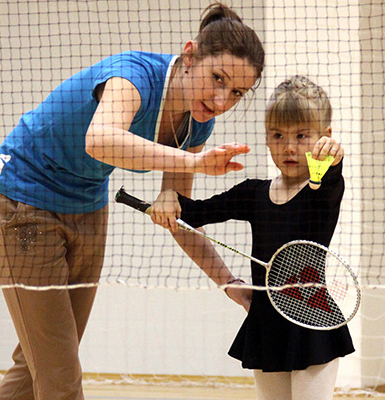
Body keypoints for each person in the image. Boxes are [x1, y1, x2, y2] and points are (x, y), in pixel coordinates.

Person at [0, 3, 264, 399]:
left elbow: (181, 220)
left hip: (86, 203)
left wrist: (229, 283)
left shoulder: (197, 122)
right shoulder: (133, 76)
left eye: (236, 92)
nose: (221, 100)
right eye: (217, 78)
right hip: (23, 196)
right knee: (59, 374)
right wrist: (191, 162)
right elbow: (99, 140)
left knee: (42, 363)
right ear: (189, 56)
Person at [152, 75, 354, 399]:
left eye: (302, 135)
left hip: (313, 322)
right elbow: (194, 212)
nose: (289, 146)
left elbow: (328, 181)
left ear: (323, 137)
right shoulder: (253, 194)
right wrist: (168, 198)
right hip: (266, 323)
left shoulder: (321, 192)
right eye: (278, 135)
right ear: (267, 138)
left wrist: (331, 160)